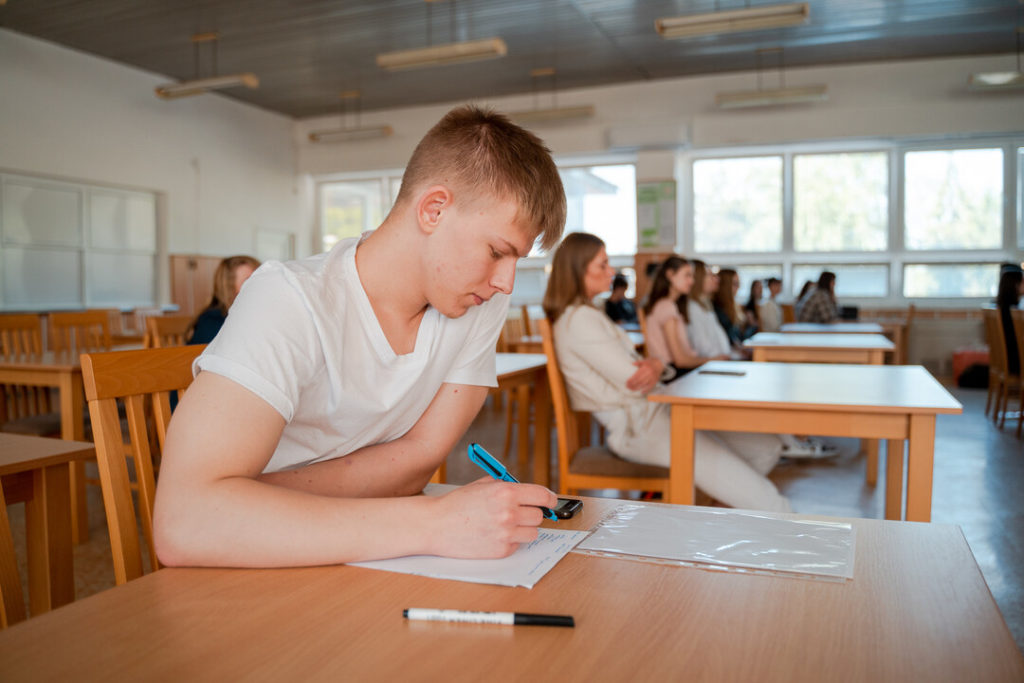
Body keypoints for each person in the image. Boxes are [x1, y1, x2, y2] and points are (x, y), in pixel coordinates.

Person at [153, 105, 566, 568]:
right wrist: (432, 522)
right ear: (434, 209)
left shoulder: (479, 298)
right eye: (496, 252)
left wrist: (255, 497)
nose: (506, 282)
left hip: (357, 553)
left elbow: (421, 456)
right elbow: (185, 521)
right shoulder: (288, 299)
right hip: (246, 569)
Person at [544, 233, 791, 512]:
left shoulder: (588, 314)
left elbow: (647, 369)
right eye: (602, 265)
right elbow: (635, 380)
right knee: (767, 498)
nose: (611, 271)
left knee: (766, 448)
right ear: (578, 269)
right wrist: (657, 364)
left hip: (656, 411)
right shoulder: (579, 319)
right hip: (640, 427)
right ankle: (784, 525)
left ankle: (723, 514)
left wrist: (657, 364)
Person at [642, 255, 727, 380]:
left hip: (676, 372)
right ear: (670, 275)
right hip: (673, 374)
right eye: (687, 275)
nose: (692, 281)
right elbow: (680, 360)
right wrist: (714, 359)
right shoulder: (666, 307)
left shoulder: (669, 305)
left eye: (692, 276)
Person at [187, 255, 261, 345]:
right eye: (248, 281)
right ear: (229, 289)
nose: (258, 285)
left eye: (259, 279)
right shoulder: (211, 322)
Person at [686, 260, 741, 359]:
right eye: (709, 275)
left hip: (720, 359)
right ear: (699, 279)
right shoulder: (693, 308)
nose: (716, 279)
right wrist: (727, 357)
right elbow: (703, 347)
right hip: (713, 362)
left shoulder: (705, 305)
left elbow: (720, 340)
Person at [713, 268, 756, 344]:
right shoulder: (717, 307)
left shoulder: (733, 305)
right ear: (725, 285)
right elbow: (729, 339)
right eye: (735, 284)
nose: (738, 288)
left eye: (738, 284)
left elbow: (738, 338)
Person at [996, 264, 1023, 376]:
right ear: (1015, 285)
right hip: (1016, 361)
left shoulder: (1002, 307)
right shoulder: (1013, 310)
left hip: (1007, 359)